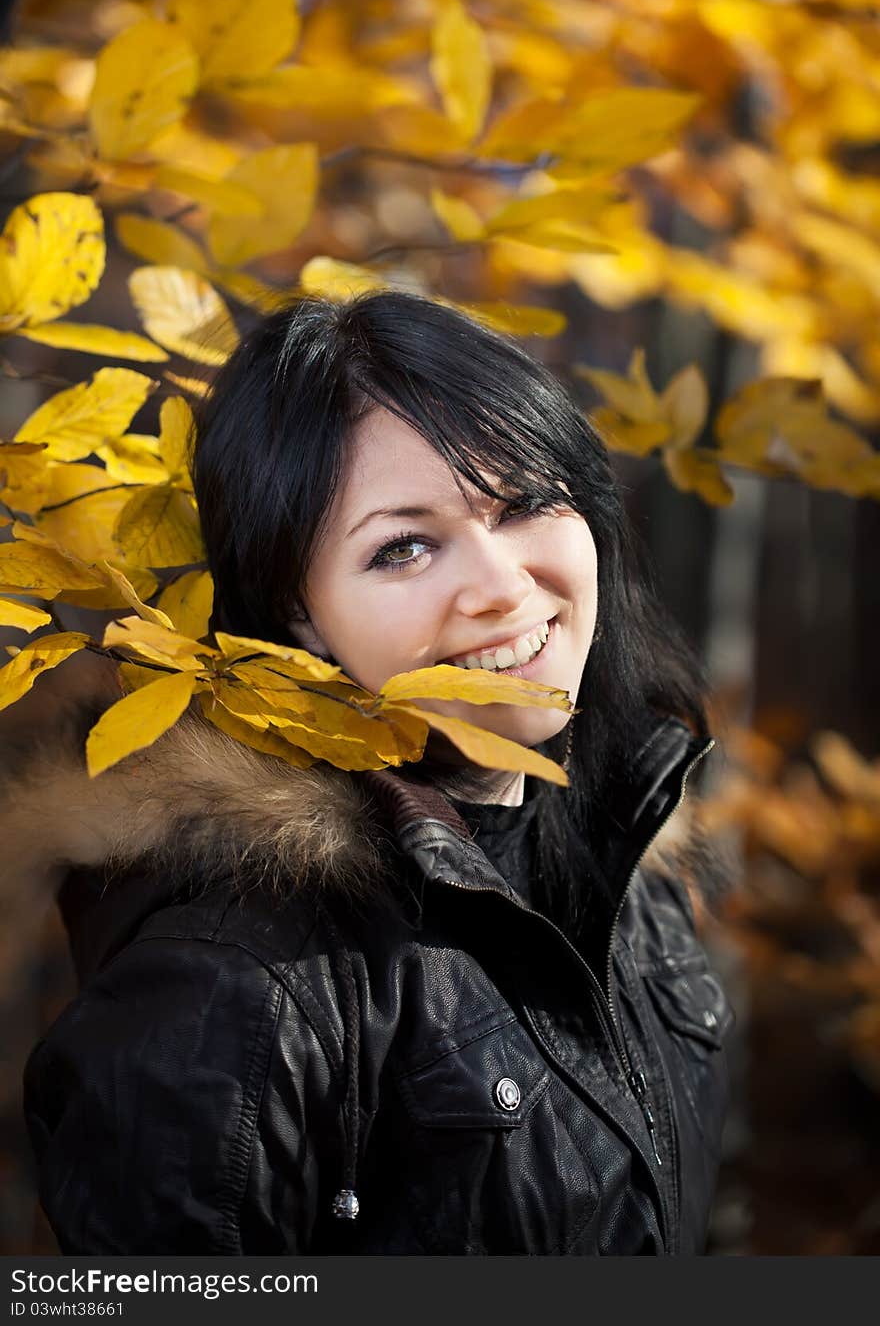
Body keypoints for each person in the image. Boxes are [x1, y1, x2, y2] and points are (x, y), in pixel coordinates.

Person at [21, 291, 733, 1254]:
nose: (500, 586)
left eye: (523, 502)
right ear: (299, 619)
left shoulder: (625, 842)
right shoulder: (231, 981)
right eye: (403, 548)